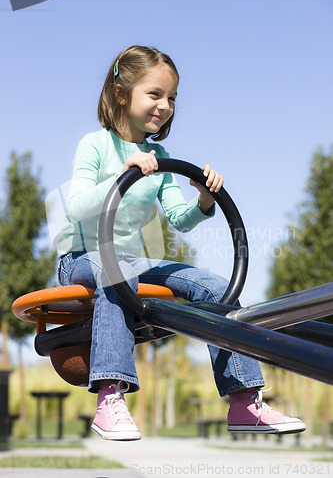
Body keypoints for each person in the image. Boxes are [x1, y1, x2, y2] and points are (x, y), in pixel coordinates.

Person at [56, 45, 306, 441]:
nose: (165, 105)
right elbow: (76, 209)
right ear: (121, 92)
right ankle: (110, 396)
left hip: (131, 260)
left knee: (214, 286)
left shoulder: (160, 156)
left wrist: (205, 200)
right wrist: (122, 173)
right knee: (113, 269)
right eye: (154, 94)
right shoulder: (95, 144)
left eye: (171, 97)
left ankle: (243, 400)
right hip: (82, 257)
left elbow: (180, 219)